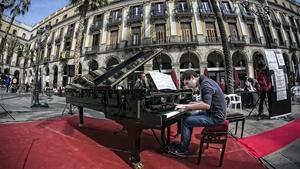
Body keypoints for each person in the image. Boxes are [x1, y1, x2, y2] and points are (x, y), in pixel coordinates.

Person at [167, 70, 226, 157]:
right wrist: (186, 104)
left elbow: (206, 105)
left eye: (187, 83)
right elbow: (205, 101)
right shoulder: (205, 82)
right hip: (212, 114)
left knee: (187, 121)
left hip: (216, 117)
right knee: (186, 116)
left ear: (192, 77)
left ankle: (182, 150)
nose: (187, 86)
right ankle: (183, 144)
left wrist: (185, 107)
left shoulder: (205, 85)